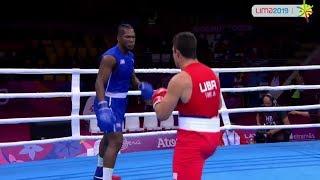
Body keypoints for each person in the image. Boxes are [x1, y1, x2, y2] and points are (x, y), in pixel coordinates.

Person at [152, 32, 221, 180]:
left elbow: (162, 115)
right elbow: (217, 104)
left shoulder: (180, 80)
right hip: (213, 139)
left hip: (193, 141)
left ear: (177, 53)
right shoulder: (212, 74)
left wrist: (157, 97)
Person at [93, 24, 153, 180]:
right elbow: (99, 82)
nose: (131, 40)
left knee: (107, 138)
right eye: (127, 37)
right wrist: (102, 106)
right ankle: (106, 178)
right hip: (109, 101)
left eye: (133, 37)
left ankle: (100, 173)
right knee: (116, 140)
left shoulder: (130, 56)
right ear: (118, 38)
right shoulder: (110, 57)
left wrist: (140, 85)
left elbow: (131, 77)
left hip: (120, 102)